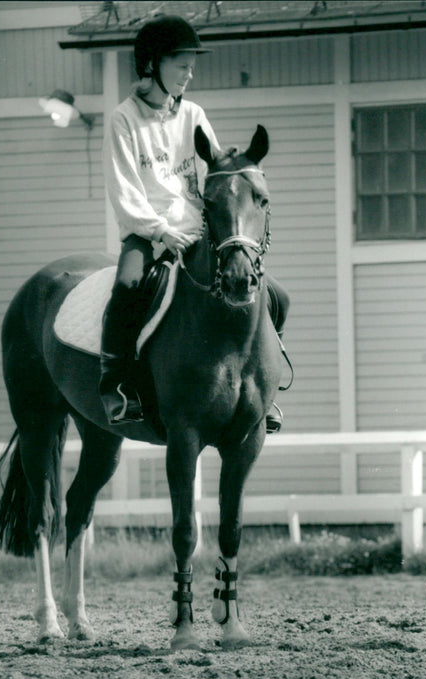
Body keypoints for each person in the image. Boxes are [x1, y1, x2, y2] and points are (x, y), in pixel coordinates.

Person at [100, 15, 288, 431]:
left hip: (199, 232)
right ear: (152, 64)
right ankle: (116, 385)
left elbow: (216, 174)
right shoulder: (123, 120)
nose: (190, 73)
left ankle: (263, 391)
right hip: (148, 234)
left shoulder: (195, 115)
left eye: (191, 65)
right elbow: (124, 191)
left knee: (277, 296)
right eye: (181, 64)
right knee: (127, 287)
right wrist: (161, 231)